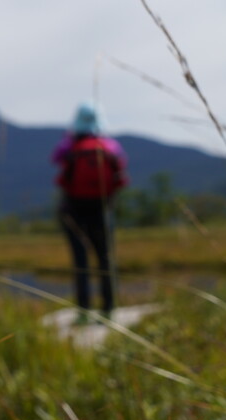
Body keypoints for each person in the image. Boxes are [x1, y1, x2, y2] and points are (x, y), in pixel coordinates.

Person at [51, 103, 129, 324]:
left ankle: (83, 310)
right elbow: (121, 174)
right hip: (102, 210)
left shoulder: (70, 146)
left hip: (73, 210)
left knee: (80, 261)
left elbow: (56, 159)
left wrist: (70, 138)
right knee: (105, 259)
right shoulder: (110, 146)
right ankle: (109, 308)